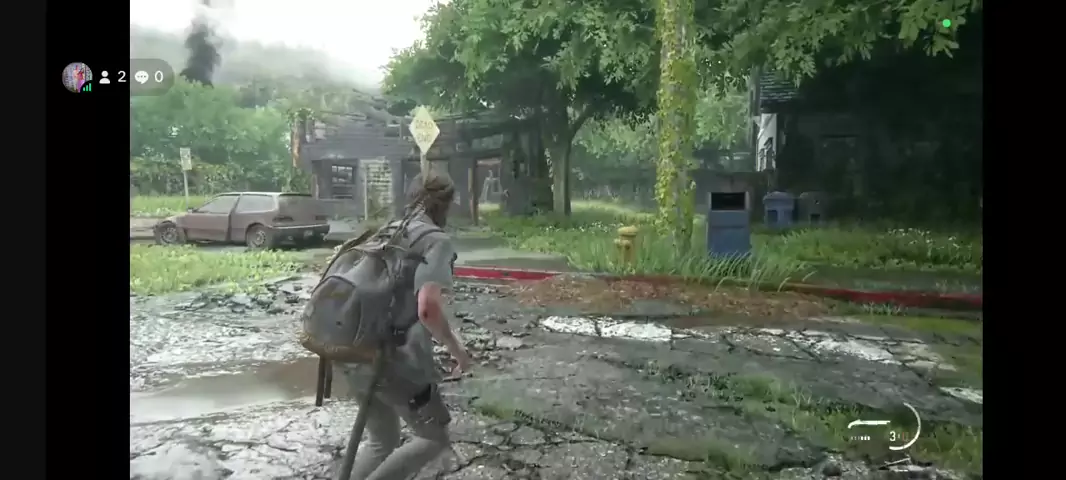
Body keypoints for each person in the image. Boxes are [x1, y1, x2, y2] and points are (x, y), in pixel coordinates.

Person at [340, 171, 473, 480]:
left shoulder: (387, 230)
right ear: (447, 203)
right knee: (433, 437)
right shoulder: (436, 241)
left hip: (349, 348)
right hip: (390, 359)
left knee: (382, 440)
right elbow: (427, 308)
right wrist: (459, 352)